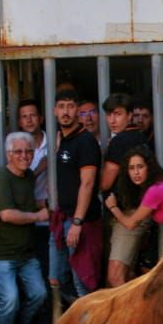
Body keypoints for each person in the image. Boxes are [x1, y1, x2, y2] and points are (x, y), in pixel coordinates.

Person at [0, 132, 49, 324]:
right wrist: (39, 215)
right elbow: (7, 214)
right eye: (18, 151)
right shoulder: (1, 177)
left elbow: (28, 202)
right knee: (10, 297)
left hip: (25, 252)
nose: (24, 156)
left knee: (39, 294)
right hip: (0, 253)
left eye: (28, 151)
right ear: (8, 154)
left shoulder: (28, 175)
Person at [49, 89, 101, 301]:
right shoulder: (62, 140)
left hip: (81, 222)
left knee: (83, 281)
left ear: (78, 111)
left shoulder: (85, 141)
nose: (66, 112)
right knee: (56, 278)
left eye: (70, 107)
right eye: (61, 107)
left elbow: (87, 183)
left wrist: (78, 222)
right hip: (62, 218)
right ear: (54, 111)